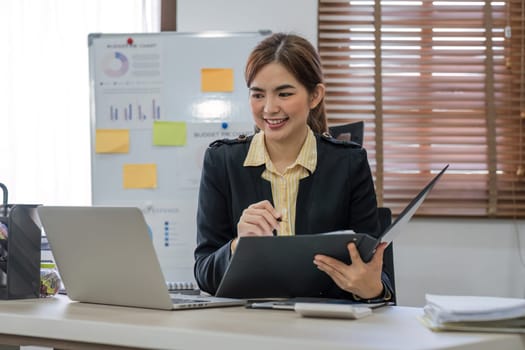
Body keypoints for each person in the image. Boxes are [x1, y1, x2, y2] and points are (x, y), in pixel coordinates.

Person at [194, 32, 393, 301]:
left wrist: (373, 290)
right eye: (258, 94)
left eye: (284, 93)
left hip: (327, 329)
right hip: (248, 330)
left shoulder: (350, 164)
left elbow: (374, 273)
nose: (269, 108)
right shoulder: (222, 162)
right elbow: (204, 273)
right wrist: (238, 246)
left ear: (315, 96)